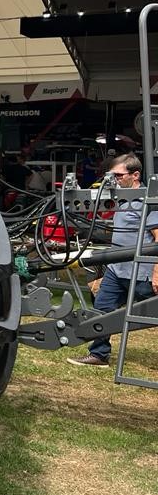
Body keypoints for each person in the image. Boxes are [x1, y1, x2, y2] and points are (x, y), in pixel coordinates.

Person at [68, 153, 158, 367]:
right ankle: (99, 354)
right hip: (117, 270)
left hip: (141, 272)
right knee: (102, 308)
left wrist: (157, 272)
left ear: (135, 175)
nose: (113, 179)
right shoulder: (121, 199)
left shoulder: (149, 201)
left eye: (118, 175)